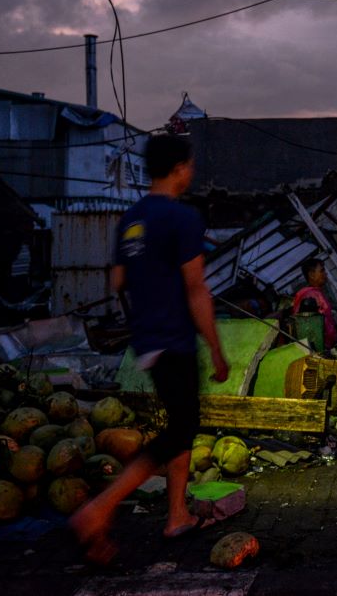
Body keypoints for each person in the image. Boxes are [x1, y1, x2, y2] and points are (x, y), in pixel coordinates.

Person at [69, 134, 229, 564]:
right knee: (179, 429)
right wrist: (216, 349)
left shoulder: (132, 218)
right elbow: (197, 290)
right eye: (189, 164)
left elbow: (119, 280)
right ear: (179, 168)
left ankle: (176, 515)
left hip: (146, 338)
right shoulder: (182, 218)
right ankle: (99, 509)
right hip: (174, 337)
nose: (191, 171)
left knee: (181, 422)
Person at [292, 257, 337, 350]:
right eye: (322, 271)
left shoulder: (314, 293)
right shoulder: (311, 296)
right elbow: (313, 327)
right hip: (319, 348)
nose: (325, 273)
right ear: (312, 275)